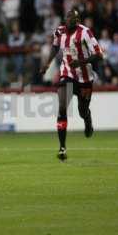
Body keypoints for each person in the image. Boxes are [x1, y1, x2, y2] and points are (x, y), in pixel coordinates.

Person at [41, 9, 103, 161]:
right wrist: (47, 64)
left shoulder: (85, 32)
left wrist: (81, 62)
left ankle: (87, 120)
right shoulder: (59, 32)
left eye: (72, 18)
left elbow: (99, 54)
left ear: (77, 21)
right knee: (62, 107)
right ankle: (62, 148)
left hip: (85, 78)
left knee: (82, 110)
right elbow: (55, 47)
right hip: (67, 73)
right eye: (67, 17)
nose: (69, 20)